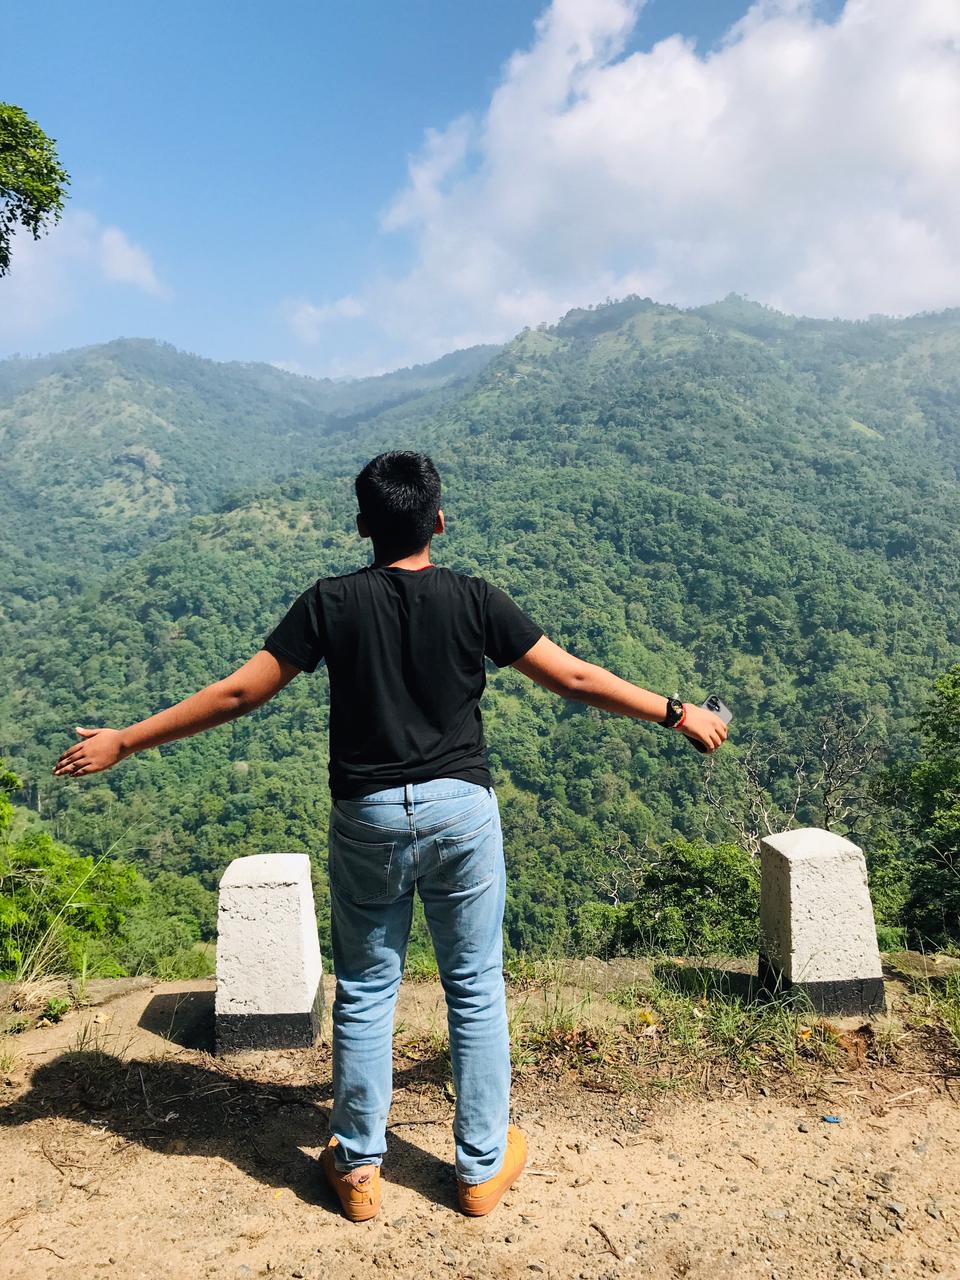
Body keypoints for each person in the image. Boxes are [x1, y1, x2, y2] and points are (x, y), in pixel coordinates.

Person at [53, 450, 728, 1222]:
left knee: (369, 987)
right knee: (474, 985)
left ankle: (358, 1168)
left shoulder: (330, 603)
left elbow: (239, 693)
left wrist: (126, 740)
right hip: (461, 812)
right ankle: (479, 1170)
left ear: (361, 527)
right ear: (438, 521)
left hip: (368, 817)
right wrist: (678, 712)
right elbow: (572, 677)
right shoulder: (475, 599)